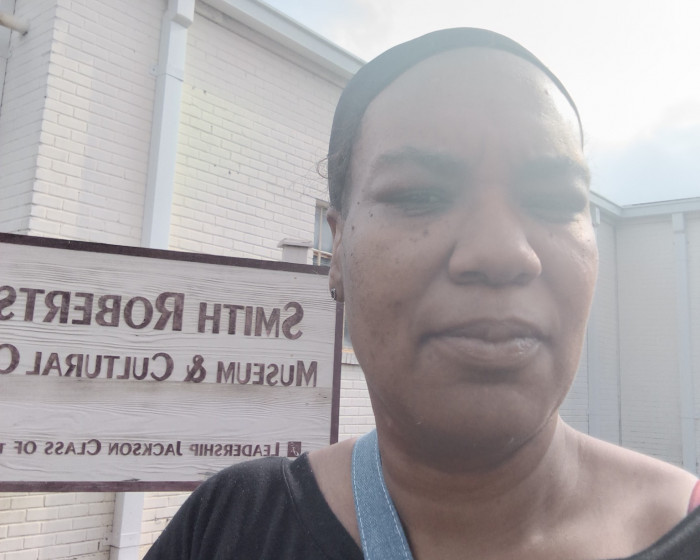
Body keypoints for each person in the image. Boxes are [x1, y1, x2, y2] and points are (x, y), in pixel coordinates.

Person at [145, 28, 700, 559]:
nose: (502, 252)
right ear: (337, 250)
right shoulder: (227, 528)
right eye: (419, 195)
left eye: (555, 200)